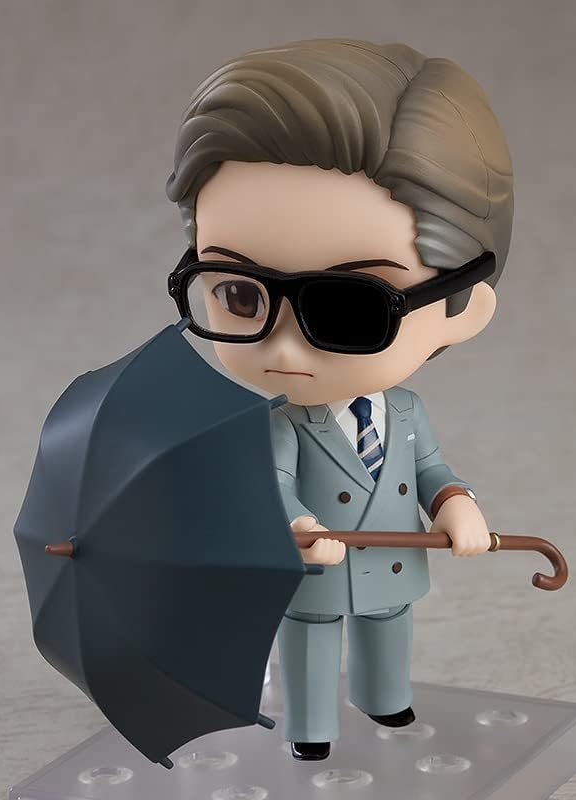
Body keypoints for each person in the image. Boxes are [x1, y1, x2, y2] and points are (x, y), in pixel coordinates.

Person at [166, 38, 513, 761]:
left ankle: (386, 702)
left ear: (463, 308)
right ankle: (311, 730)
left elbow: (430, 469)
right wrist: (296, 525)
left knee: (389, 631)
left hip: (392, 565)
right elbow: (272, 484)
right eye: (239, 293)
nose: (285, 348)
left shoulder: (406, 413)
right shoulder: (280, 425)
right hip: (314, 576)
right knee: (310, 645)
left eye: (352, 308)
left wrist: (457, 504)